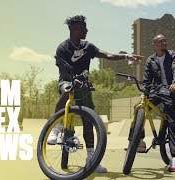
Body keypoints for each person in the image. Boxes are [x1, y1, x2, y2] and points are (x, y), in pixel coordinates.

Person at [48, 15, 142, 173]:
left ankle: (91, 159)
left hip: (84, 87)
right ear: (75, 29)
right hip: (67, 82)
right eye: (84, 27)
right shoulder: (62, 48)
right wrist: (73, 80)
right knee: (66, 90)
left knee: (88, 123)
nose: (87, 30)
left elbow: (107, 55)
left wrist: (127, 56)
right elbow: (63, 70)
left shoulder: (88, 47)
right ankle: (56, 128)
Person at [128, 34, 175, 172]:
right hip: (158, 90)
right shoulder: (151, 59)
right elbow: (147, 79)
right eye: (160, 41)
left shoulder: (173, 55)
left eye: (165, 40)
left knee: (172, 121)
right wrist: (144, 92)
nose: (164, 42)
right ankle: (137, 142)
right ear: (154, 44)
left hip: (171, 91)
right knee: (139, 107)